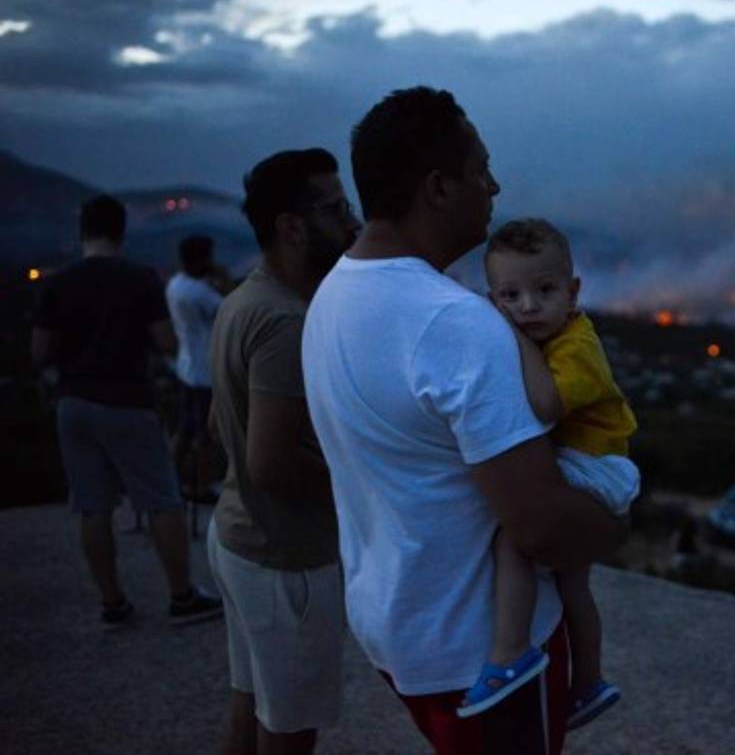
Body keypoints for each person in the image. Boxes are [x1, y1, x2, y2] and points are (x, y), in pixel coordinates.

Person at [302, 86, 627, 755]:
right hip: (481, 653)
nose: (496, 184)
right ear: (440, 188)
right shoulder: (457, 322)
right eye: (482, 169)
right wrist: (615, 518)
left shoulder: (335, 293)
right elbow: (542, 527)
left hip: (397, 629)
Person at [206, 148, 360, 755]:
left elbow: (225, 428)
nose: (352, 222)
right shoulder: (287, 321)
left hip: (237, 538)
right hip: (285, 561)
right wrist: (358, 483)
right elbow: (270, 463)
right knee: (288, 734)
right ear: (292, 228)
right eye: (336, 208)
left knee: (250, 710)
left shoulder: (244, 299)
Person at [471, 218, 639, 729]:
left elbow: (545, 405)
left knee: (514, 537)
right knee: (573, 587)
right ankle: (589, 684)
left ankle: (509, 654)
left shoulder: (576, 345)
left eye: (544, 291)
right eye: (510, 296)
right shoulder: (555, 332)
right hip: (594, 460)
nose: (528, 307)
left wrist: (509, 336)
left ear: (573, 291)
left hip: (598, 466)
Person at [30, 194, 223, 629]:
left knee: (92, 506)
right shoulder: (139, 279)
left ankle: (113, 603)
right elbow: (167, 343)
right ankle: (181, 595)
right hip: (127, 400)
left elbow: (40, 351)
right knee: (161, 497)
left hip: (73, 402)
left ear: (83, 232)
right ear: (121, 231)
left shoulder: (58, 283)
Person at [166, 234, 224, 504]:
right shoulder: (201, 292)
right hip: (205, 373)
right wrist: (222, 281)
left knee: (184, 429)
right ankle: (202, 486)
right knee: (206, 434)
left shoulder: (175, 285)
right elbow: (227, 309)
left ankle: (172, 482)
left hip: (185, 366)